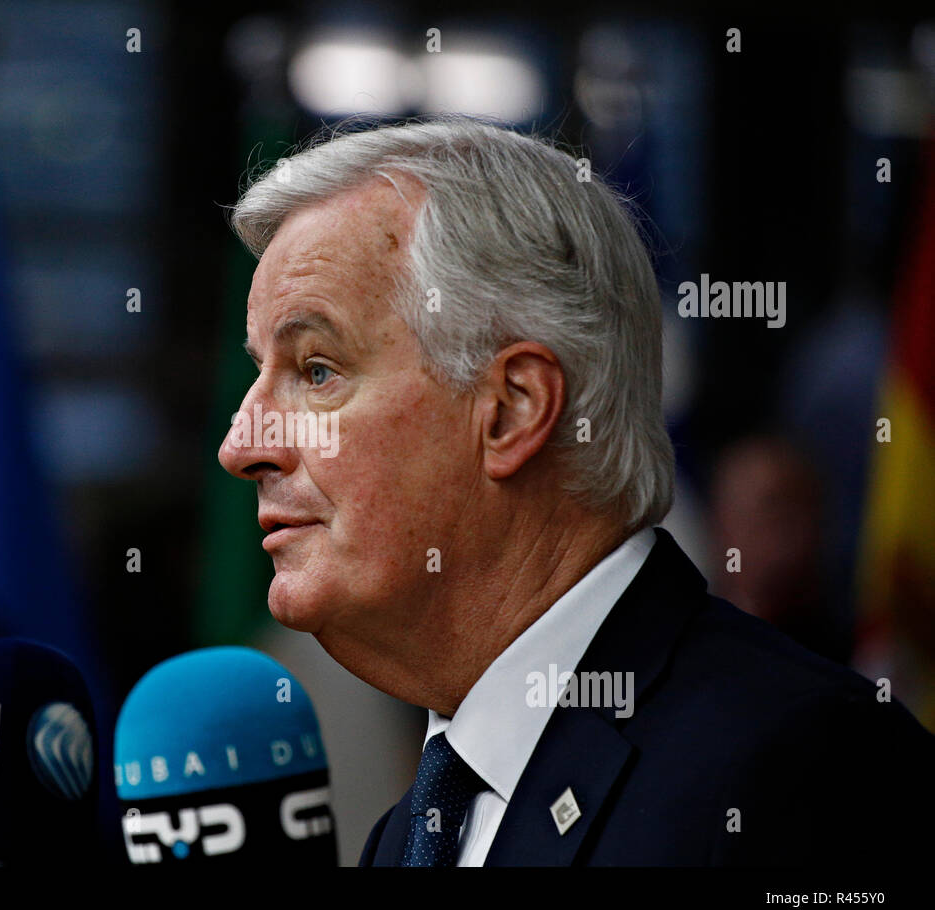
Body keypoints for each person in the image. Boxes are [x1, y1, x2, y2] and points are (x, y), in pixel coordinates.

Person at [216, 116, 934, 866]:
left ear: (512, 409)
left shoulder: (800, 770)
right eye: (260, 371)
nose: (242, 447)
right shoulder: (411, 832)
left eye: (316, 371)